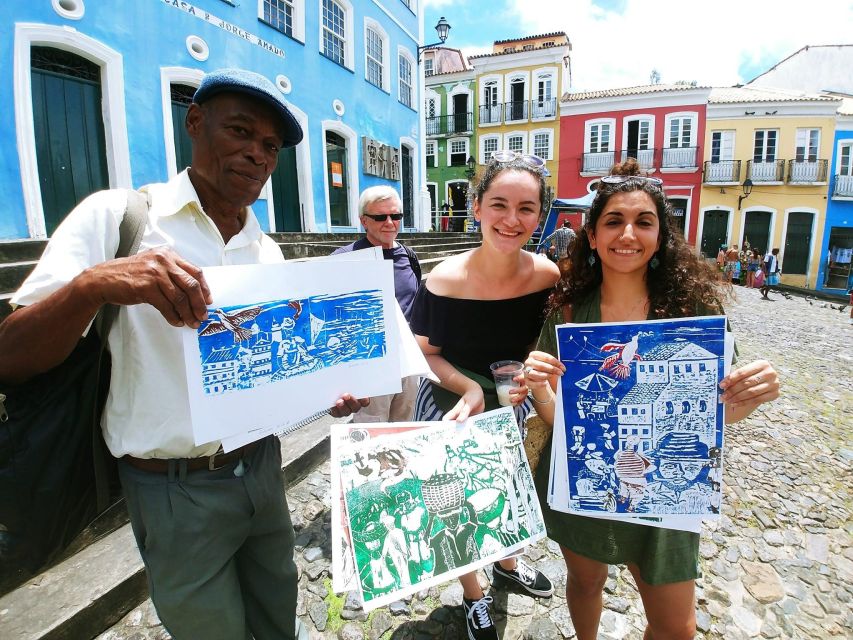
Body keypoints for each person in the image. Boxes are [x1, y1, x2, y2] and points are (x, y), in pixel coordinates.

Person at [0, 69, 368, 640]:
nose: (256, 154)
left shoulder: (265, 252)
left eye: (269, 146)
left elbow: (270, 374)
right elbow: (11, 357)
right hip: (171, 488)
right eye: (240, 131)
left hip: (261, 472)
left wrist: (328, 393)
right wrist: (93, 284)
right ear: (194, 123)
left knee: (278, 620)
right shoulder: (121, 219)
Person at [523, 159, 780, 640]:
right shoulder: (570, 313)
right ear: (593, 237)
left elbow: (718, 414)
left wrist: (753, 393)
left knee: (676, 626)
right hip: (587, 480)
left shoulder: (693, 311)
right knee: (586, 580)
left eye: (644, 222)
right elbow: (562, 418)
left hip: (670, 487)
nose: (628, 233)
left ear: (661, 236)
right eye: (613, 221)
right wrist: (538, 384)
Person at [410, 150, 560, 640]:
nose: (511, 220)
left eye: (526, 208)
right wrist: (471, 387)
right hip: (451, 397)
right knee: (455, 501)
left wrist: (529, 383)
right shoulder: (444, 280)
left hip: (510, 396)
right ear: (476, 207)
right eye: (499, 204)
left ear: (540, 216)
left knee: (509, 490)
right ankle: (474, 595)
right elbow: (424, 356)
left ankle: (508, 566)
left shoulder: (546, 276)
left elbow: (538, 345)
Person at [332, 186, 421, 422]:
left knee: (406, 429)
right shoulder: (344, 259)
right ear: (364, 221)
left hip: (408, 362)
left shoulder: (409, 256)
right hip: (370, 362)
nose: (390, 222)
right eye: (380, 217)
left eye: (396, 216)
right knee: (372, 433)